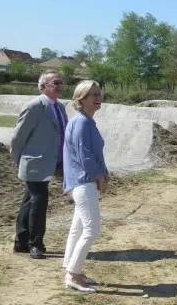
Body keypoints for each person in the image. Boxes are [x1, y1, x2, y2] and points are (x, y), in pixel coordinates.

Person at [11, 69, 68, 259]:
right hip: (34, 163)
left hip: (50, 163)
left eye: (61, 82)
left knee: (30, 200)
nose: (60, 86)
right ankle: (35, 244)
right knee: (39, 201)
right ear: (43, 87)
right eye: (55, 83)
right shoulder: (35, 106)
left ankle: (21, 241)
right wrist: (20, 161)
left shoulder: (59, 107)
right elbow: (18, 137)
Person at [61, 80, 108, 293]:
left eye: (99, 94)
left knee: (78, 228)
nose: (98, 98)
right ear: (81, 99)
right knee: (92, 229)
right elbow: (84, 155)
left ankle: (71, 269)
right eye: (93, 95)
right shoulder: (82, 123)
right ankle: (73, 274)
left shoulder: (83, 121)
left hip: (80, 180)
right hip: (83, 181)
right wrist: (99, 176)